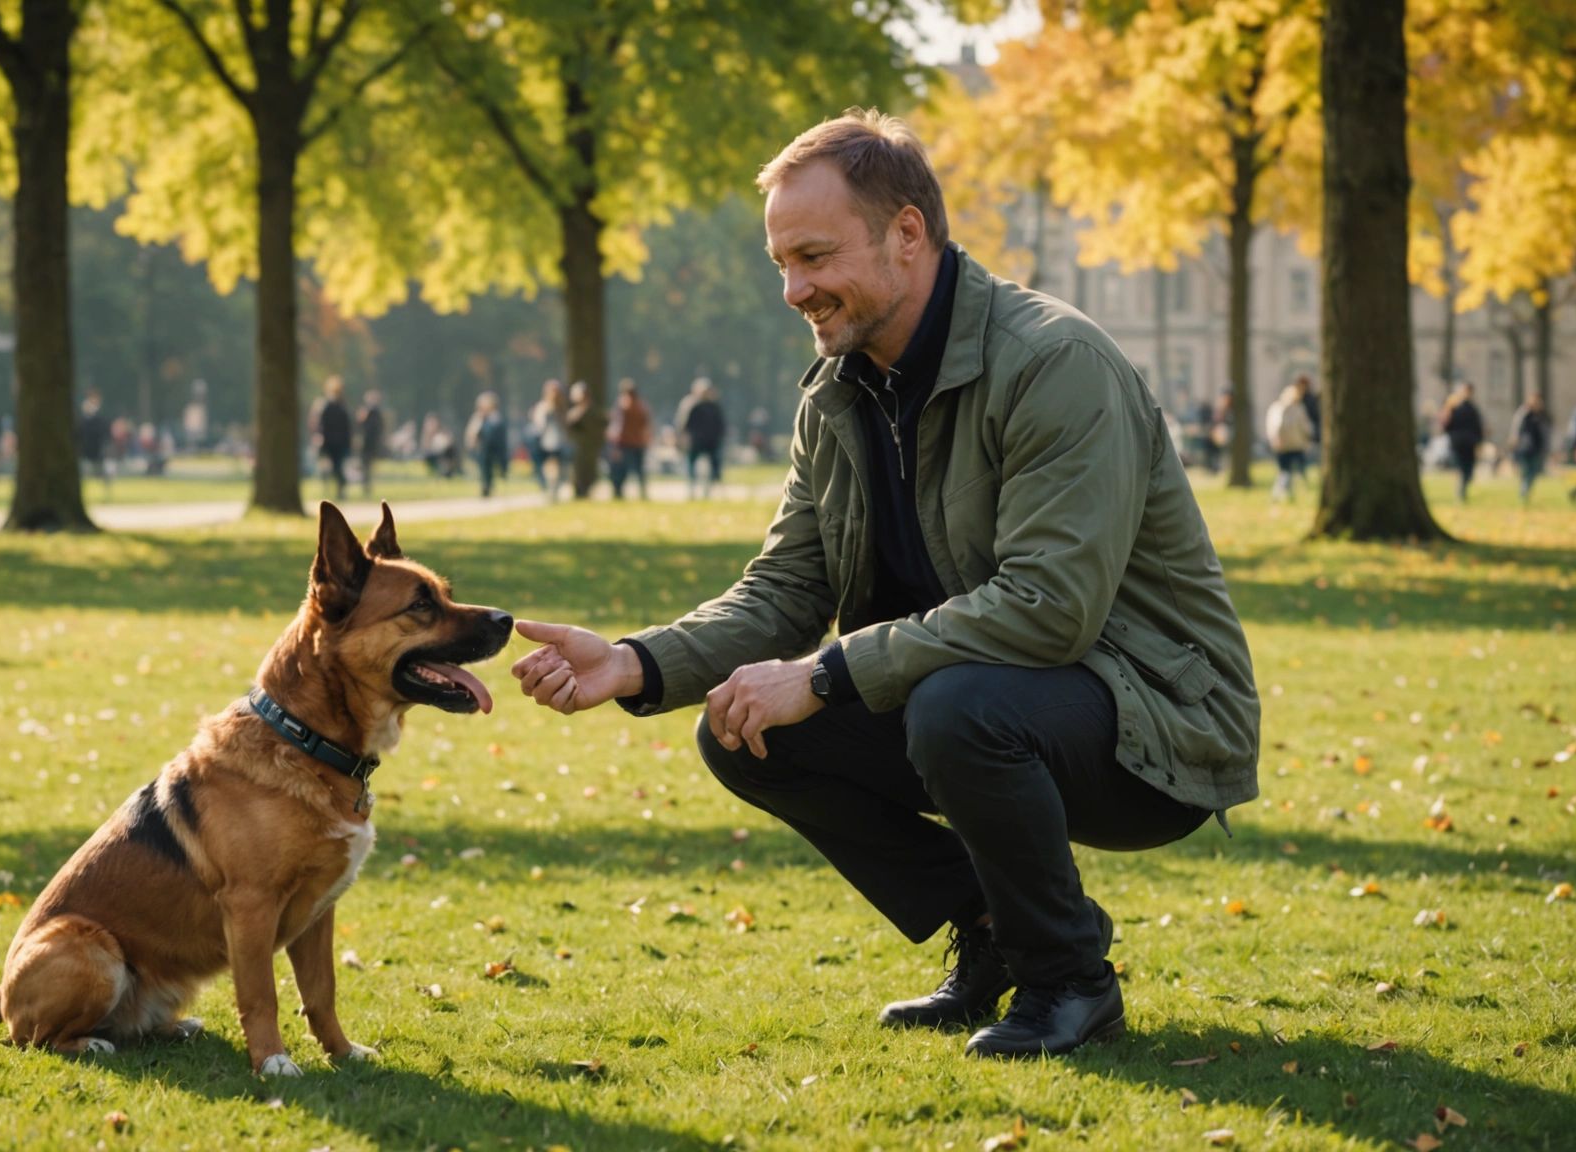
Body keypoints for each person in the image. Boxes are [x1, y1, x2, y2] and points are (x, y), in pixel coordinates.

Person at [508, 111, 1256, 1060]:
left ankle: (1070, 977)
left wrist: (822, 676)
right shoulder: (837, 391)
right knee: (742, 730)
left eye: (814, 256)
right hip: (976, 705)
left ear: (908, 235)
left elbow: (1049, 608)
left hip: (1154, 721)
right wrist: (634, 662)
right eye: (781, 262)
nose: (794, 289)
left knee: (954, 707)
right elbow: (785, 587)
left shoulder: (1054, 362)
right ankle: (993, 934)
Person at [1263, 376, 1313, 501]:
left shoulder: (1276, 408)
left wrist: (1274, 440)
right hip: (1295, 445)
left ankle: (1281, 494)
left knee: (1285, 472)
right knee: (1298, 470)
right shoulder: (1298, 408)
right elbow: (1305, 427)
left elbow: (1271, 427)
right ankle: (1298, 492)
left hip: (1282, 445)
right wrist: (1308, 438)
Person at [1438, 382, 1484, 503]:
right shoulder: (1455, 408)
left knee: (1468, 469)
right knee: (1463, 469)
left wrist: (1479, 441)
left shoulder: (1472, 409)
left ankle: (1462, 489)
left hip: (1468, 443)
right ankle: (1461, 492)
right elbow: (1447, 426)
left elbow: (1477, 427)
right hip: (1459, 443)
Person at [607, 378, 652, 500]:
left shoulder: (623, 404)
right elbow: (647, 424)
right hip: (638, 442)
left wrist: (614, 441)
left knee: (621, 470)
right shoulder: (641, 405)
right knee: (639, 470)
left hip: (624, 443)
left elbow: (617, 426)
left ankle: (618, 493)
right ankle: (643, 493)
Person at [682, 378, 727, 498]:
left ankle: (707, 492)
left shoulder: (714, 406)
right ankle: (692, 491)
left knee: (712, 468)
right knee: (692, 466)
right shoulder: (693, 405)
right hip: (696, 441)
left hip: (712, 442)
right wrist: (685, 439)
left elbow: (721, 424)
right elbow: (685, 425)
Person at [312, 376, 353, 500]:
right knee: (333, 467)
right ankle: (334, 490)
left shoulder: (327, 406)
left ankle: (336, 490)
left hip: (333, 442)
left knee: (334, 467)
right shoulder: (338, 407)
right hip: (334, 442)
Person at [528, 379, 569, 500]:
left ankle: (553, 491)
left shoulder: (561, 408)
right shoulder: (544, 407)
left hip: (558, 442)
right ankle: (551, 491)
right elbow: (539, 425)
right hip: (548, 442)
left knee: (558, 469)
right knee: (550, 468)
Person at [567, 381, 609, 499]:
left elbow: (604, 423)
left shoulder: (593, 410)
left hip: (590, 447)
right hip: (579, 446)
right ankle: (580, 492)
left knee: (589, 470)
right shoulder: (576, 411)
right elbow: (569, 424)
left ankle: (586, 491)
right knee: (578, 471)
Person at [463, 391, 510, 498]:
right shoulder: (478, 418)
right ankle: (486, 487)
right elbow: (472, 433)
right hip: (482, 449)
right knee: (484, 469)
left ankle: (489, 486)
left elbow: (498, 436)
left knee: (492, 469)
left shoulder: (496, 418)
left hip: (495, 448)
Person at [1507, 392, 1551, 505]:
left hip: (1538, 448)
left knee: (1535, 472)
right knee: (1526, 471)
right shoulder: (1524, 414)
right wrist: (1514, 444)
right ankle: (1524, 491)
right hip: (1525, 448)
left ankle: (1526, 490)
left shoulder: (1542, 416)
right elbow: (1516, 430)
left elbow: (1545, 433)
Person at [78, 391, 112, 496]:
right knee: (84, 474)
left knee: (101, 473)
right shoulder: (84, 420)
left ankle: (107, 492)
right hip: (87, 451)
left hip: (96, 451)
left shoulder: (97, 420)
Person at [356, 390, 388, 497]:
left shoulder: (371, 413)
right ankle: (366, 487)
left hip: (369, 444)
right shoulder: (376, 413)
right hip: (370, 444)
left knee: (367, 467)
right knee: (367, 467)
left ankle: (367, 487)